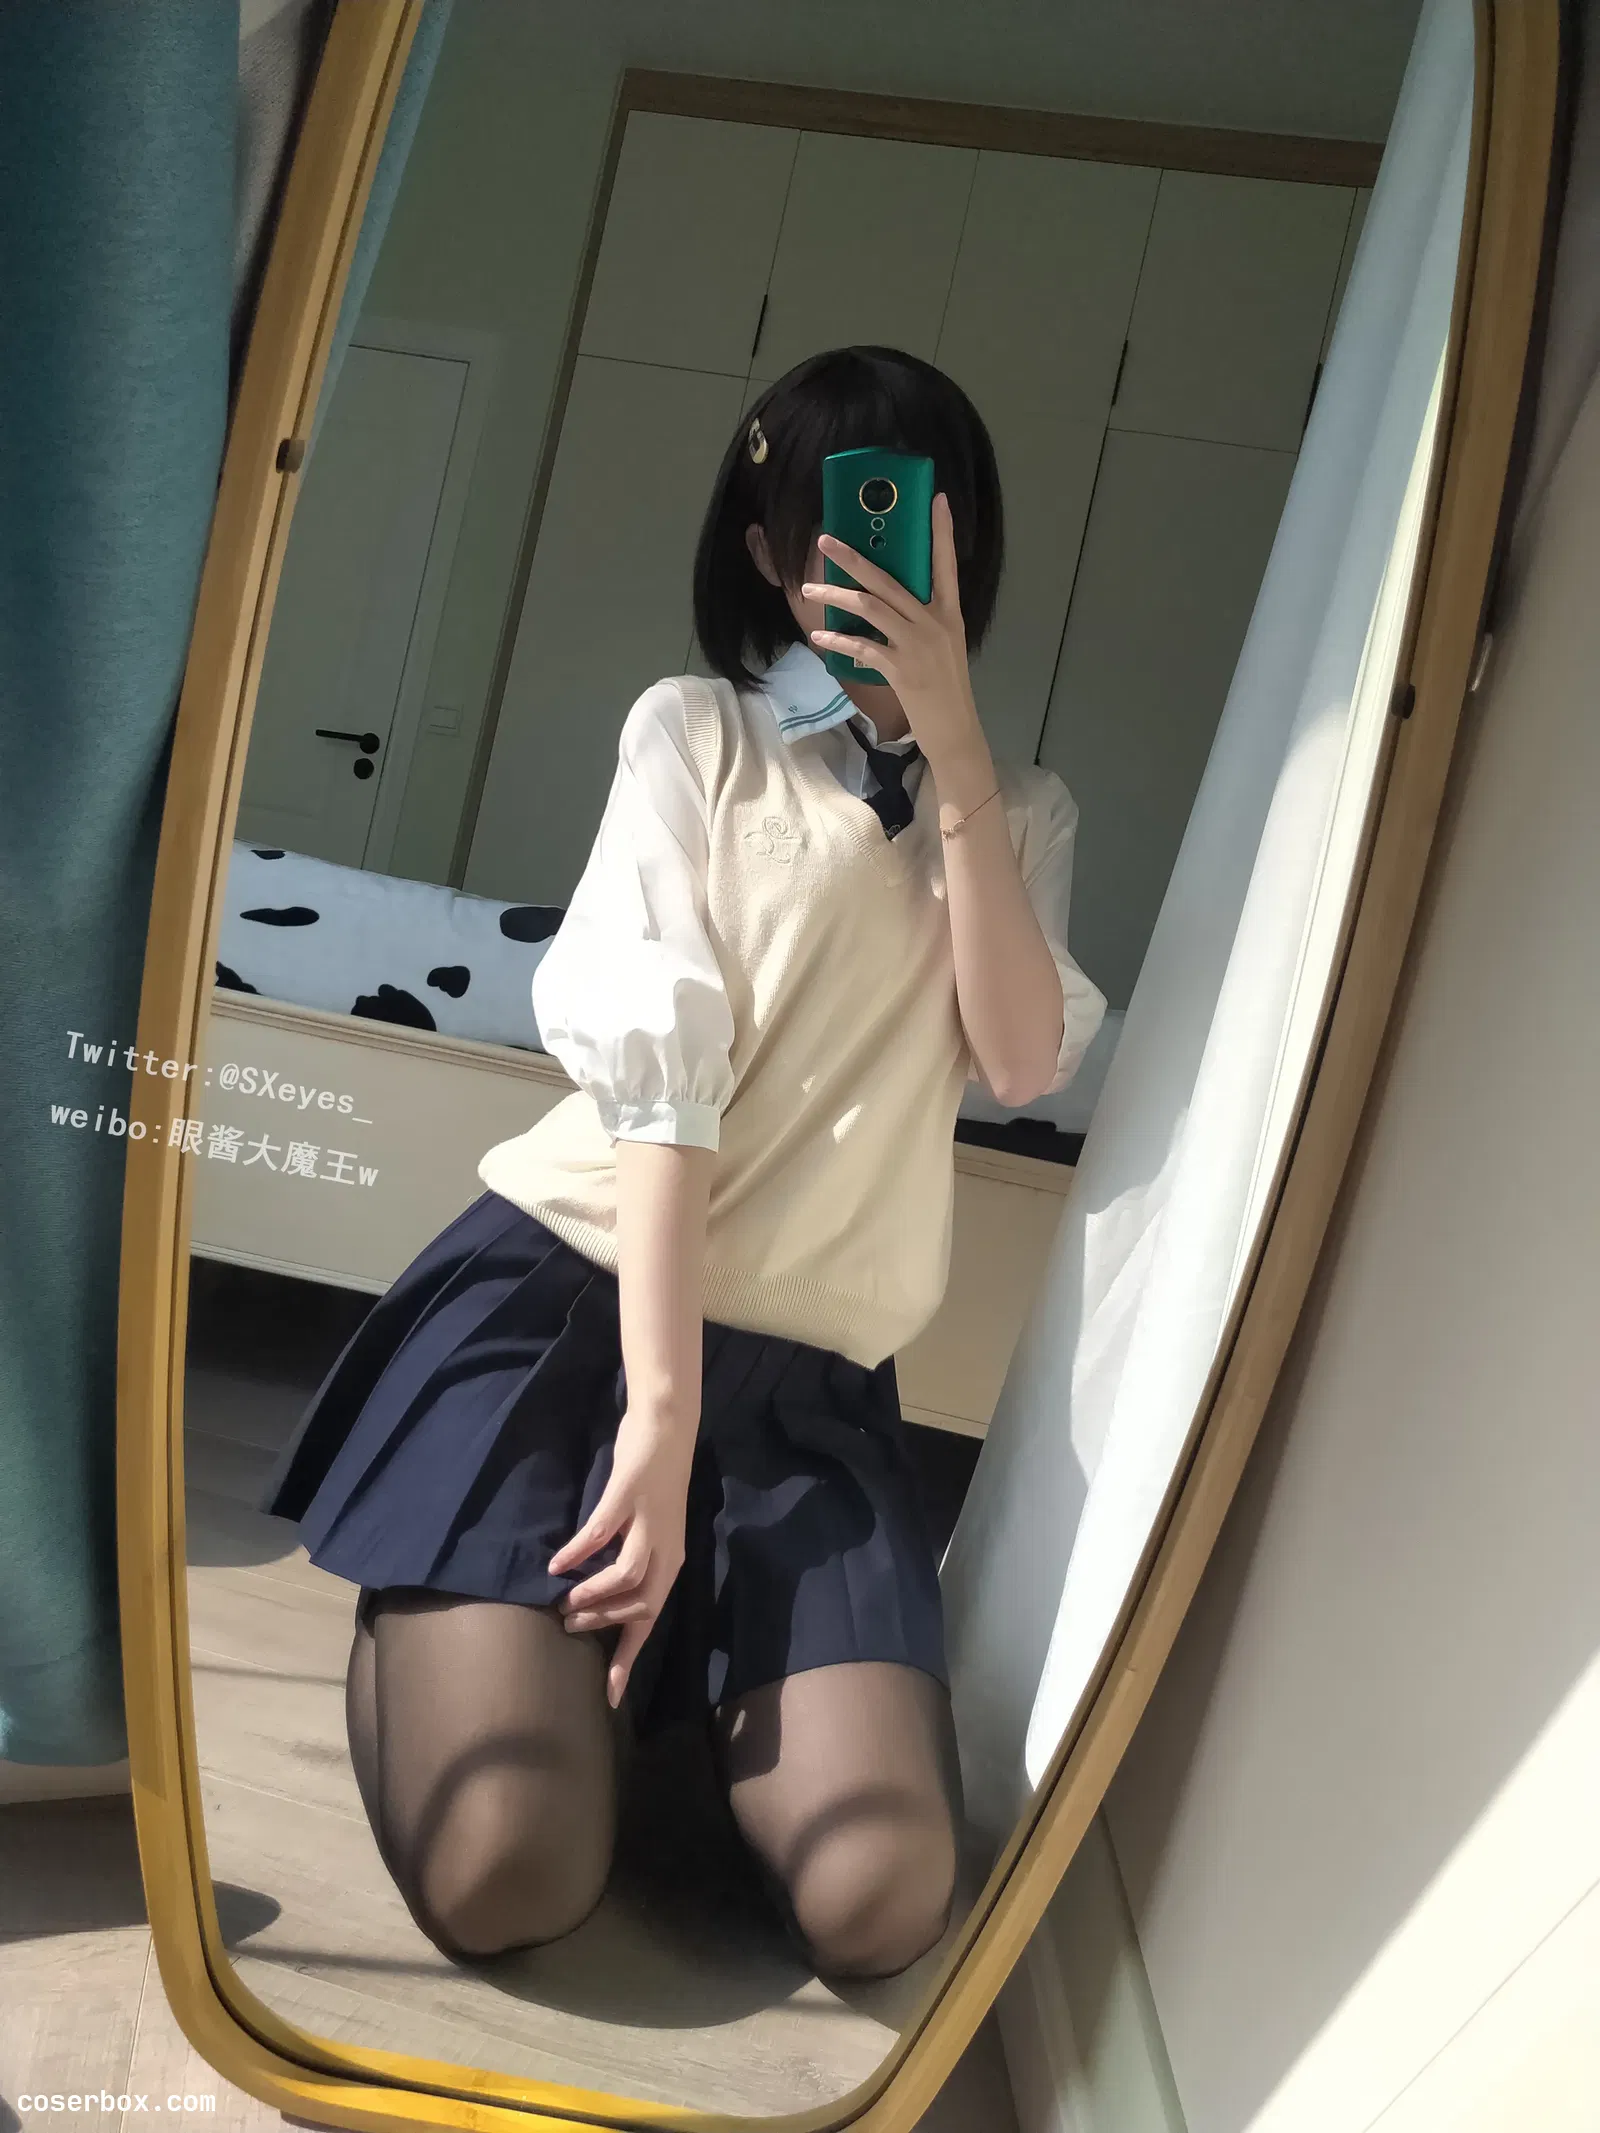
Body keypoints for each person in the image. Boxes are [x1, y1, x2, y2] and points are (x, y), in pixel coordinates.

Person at [260, 344, 1107, 1979]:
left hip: (804, 1401)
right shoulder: (697, 734)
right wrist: (657, 1419)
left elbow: (1017, 1058)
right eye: (836, 527)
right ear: (768, 548)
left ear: (965, 547)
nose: (872, 565)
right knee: (508, 1871)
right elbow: (663, 1085)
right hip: (570, 1314)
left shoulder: (1022, 815)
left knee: (882, 1902)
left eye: (912, 527)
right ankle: (459, 1616)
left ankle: (621, 1689)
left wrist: (955, 753)